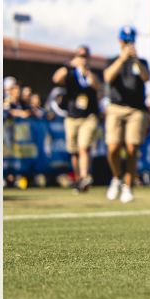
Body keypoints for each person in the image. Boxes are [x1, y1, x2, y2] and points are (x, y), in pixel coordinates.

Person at [102, 27, 150, 203]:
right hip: (116, 107)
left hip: (136, 110)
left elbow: (146, 78)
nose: (128, 44)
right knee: (113, 147)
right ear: (119, 41)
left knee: (132, 148)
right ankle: (116, 178)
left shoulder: (142, 61)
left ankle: (128, 186)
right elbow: (107, 77)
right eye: (125, 40)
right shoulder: (112, 60)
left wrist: (135, 60)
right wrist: (122, 59)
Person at [52, 44, 99, 193]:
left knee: (84, 147)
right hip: (72, 116)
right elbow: (56, 78)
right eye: (80, 55)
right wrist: (69, 65)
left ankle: (85, 176)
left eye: (85, 56)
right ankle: (79, 179)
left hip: (88, 116)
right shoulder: (70, 71)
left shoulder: (90, 73)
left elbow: (97, 86)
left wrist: (87, 72)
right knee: (74, 151)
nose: (82, 58)